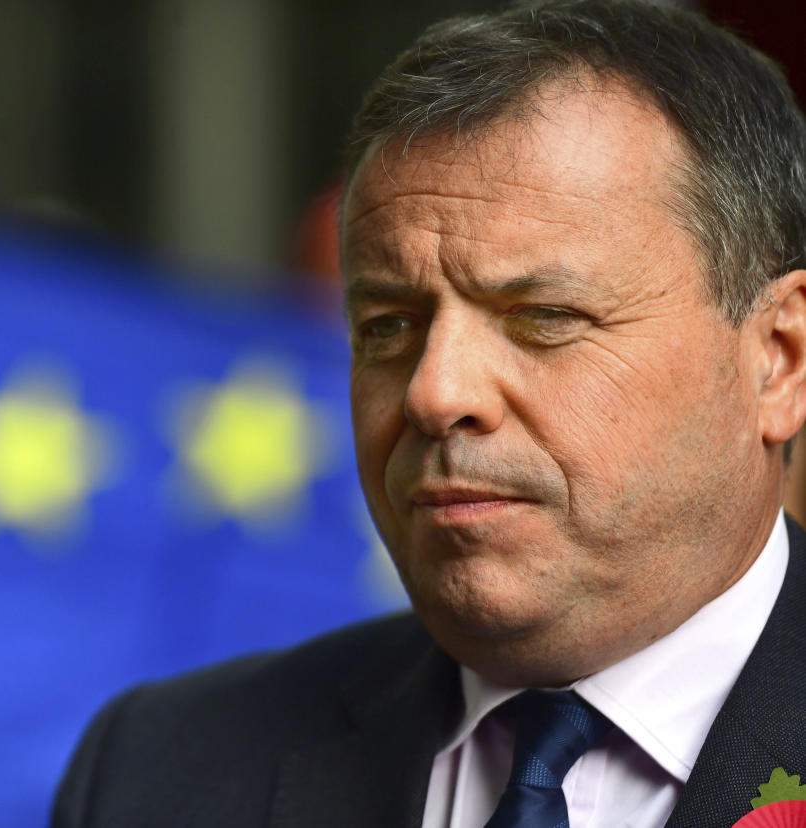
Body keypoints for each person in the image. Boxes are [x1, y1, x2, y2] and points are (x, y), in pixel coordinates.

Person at [53, 1, 806, 824]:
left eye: (544, 317)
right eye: (388, 328)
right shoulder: (161, 773)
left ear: (778, 359)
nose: (435, 393)